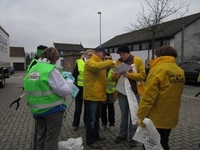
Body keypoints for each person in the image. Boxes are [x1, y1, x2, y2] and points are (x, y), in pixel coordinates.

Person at [23, 47, 74, 150]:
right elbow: (64, 91)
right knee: (51, 138)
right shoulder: (50, 69)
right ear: (54, 58)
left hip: (37, 110)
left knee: (41, 136)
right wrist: (69, 81)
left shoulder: (33, 68)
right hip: (52, 111)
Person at [137, 45, 185, 150]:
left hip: (155, 117)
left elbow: (148, 97)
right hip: (171, 115)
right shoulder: (179, 70)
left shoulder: (157, 70)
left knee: (150, 144)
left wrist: (140, 116)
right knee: (163, 142)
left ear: (159, 55)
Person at [113, 44, 146, 148]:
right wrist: (115, 75)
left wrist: (129, 75)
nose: (122, 56)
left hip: (134, 92)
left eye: (123, 54)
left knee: (134, 116)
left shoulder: (138, 60)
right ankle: (122, 135)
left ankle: (133, 138)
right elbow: (114, 78)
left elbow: (143, 75)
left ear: (128, 53)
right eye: (120, 54)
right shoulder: (118, 62)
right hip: (122, 93)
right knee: (123, 115)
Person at [83, 47, 116, 149]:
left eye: (106, 54)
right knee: (91, 120)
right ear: (98, 53)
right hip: (91, 96)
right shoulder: (90, 62)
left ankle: (96, 135)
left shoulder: (101, 63)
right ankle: (90, 140)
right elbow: (97, 67)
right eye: (104, 54)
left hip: (98, 96)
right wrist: (110, 62)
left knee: (97, 118)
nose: (105, 56)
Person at [72, 49, 94, 131]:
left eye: (92, 55)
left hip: (88, 89)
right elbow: (74, 75)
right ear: (85, 55)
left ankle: (86, 123)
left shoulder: (94, 63)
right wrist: (74, 88)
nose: (91, 57)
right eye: (89, 55)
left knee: (87, 108)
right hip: (79, 89)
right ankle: (75, 124)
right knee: (78, 108)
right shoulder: (79, 62)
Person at [101, 53, 116, 131]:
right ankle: (104, 123)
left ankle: (112, 123)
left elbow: (116, 79)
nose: (107, 60)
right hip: (102, 92)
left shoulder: (114, 67)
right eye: (106, 58)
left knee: (111, 108)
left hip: (111, 91)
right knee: (103, 108)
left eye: (109, 58)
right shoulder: (101, 67)